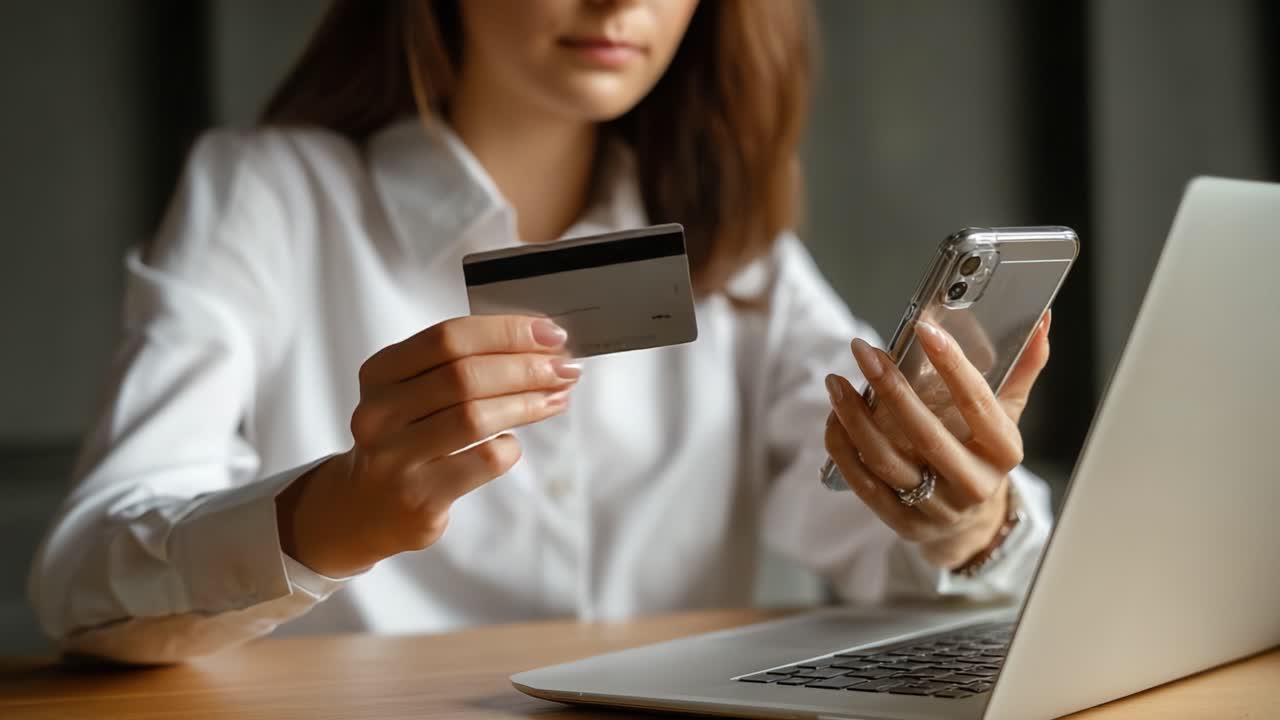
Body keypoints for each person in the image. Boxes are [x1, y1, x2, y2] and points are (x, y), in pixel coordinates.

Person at [29, 0, 1053, 664]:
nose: (620, 4)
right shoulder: (267, 195)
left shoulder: (738, 249)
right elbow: (82, 581)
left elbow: (874, 524)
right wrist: (329, 516)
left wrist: (962, 521)